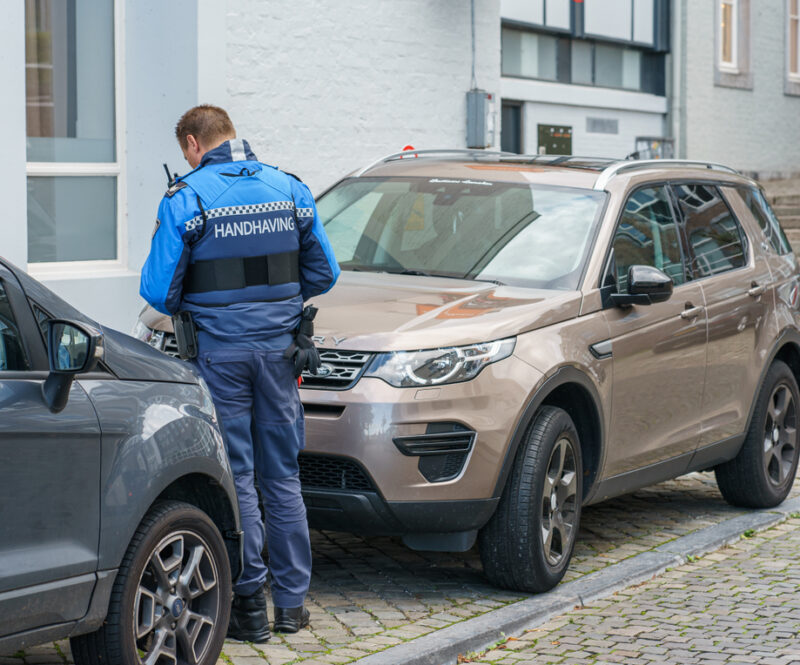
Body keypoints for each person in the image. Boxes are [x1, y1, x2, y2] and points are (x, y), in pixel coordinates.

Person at [140, 105, 339, 642]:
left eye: (185, 151)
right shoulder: (290, 190)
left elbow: (158, 291)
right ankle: (292, 607)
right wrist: (274, 305)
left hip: (220, 358)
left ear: (192, 143)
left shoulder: (186, 198)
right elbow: (324, 273)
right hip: (280, 355)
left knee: (240, 478)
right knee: (284, 478)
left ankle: (249, 609)